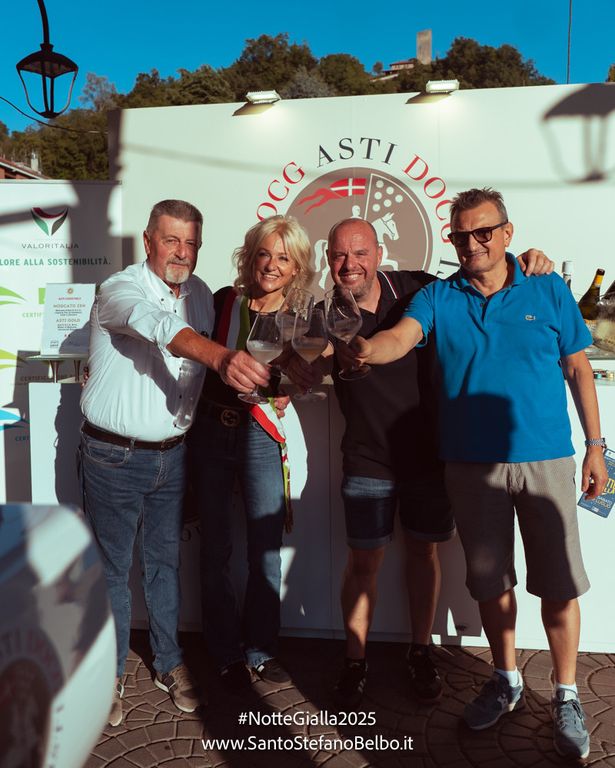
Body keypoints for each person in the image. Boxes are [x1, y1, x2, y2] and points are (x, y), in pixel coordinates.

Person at [352, 188, 607, 760]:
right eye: (460, 235)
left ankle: (566, 694)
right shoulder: (439, 296)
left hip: (546, 460)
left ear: (507, 233)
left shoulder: (547, 287)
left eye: (483, 232)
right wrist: (367, 349)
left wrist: (597, 448)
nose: (471, 244)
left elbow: (578, 368)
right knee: (492, 583)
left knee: (559, 584)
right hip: (469, 465)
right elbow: (401, 337)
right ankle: (506, 678)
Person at [287, 216, 553, 709]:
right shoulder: (322, 313)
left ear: (379, 254)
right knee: (363, 561)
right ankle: (355, 660)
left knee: (423, 554)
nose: (350, 264)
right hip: (366, 457)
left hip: (429, 456)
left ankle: (420, 651)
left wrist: (528, 260)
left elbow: (483, 275)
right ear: (328, 259)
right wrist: (300, 369)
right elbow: (310, 361)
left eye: (360, 253)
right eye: (340, 255)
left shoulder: (418, 289)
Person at [79, 199, 270, 727]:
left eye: (191, 243)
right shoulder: (120, 289)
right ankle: (109, 673)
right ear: (148, 242)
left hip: (174, 455)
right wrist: (220, 356)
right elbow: (158, 325)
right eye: (171, 241)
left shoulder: (204, 295)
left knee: (165, 564)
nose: (181, 253)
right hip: (113, 455)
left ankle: (169, 661)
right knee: (112, 569)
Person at [187, 215, 314, 692]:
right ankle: (223, 650)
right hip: (211, 431)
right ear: (250, 257)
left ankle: (261, 648)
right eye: (265, 253)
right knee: (215, 548)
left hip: (261, 435)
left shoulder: (301, 318)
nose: (272, 265)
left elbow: (305, 374)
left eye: (284, 257)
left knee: (264, 548)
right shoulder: (224, 301)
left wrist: (293, 388)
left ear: (296, 266)